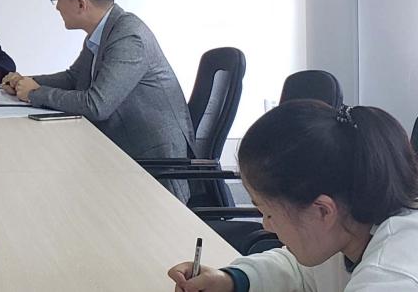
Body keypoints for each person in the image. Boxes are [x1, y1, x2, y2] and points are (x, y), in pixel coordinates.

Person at [168, 100, 418, 291]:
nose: (266, 225)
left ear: (322, 211)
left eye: (268, 213)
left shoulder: (394, 276)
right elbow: (300, 270)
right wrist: (231, 281)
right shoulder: (350, 223)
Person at [1, 0, 194, 201]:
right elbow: (74, 78)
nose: (56, 7)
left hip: (152, 168)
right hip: (119, 153)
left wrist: (34, 93)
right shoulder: (103, 32)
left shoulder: (129, 36)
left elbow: (97, 105)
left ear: (81, 3)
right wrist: (23, 81)